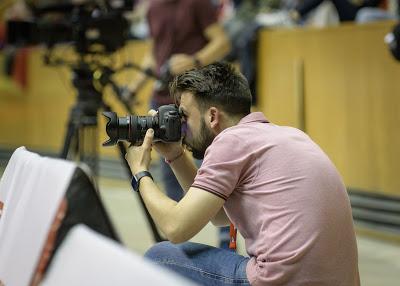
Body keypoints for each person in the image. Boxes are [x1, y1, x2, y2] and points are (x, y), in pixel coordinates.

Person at [126, 62, 360, 285]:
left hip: (277, 281)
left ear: (212, 116)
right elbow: (218, 216)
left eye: (185, 115)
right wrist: (176, 156)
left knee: (162, 256)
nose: (182, 126)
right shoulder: (287, 135)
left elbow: (175, 228)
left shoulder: (231, 141)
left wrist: (139, 171)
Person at [128, 0, 232, 249]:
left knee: (209, 171)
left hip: (196, 105)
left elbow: (222, 42)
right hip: (163, 101)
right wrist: (133, 87)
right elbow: (154, 54)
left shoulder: (196, 3)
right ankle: (176, 251)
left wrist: (194, 60)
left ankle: (224, 246)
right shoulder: (153, 8)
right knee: (170, 170)